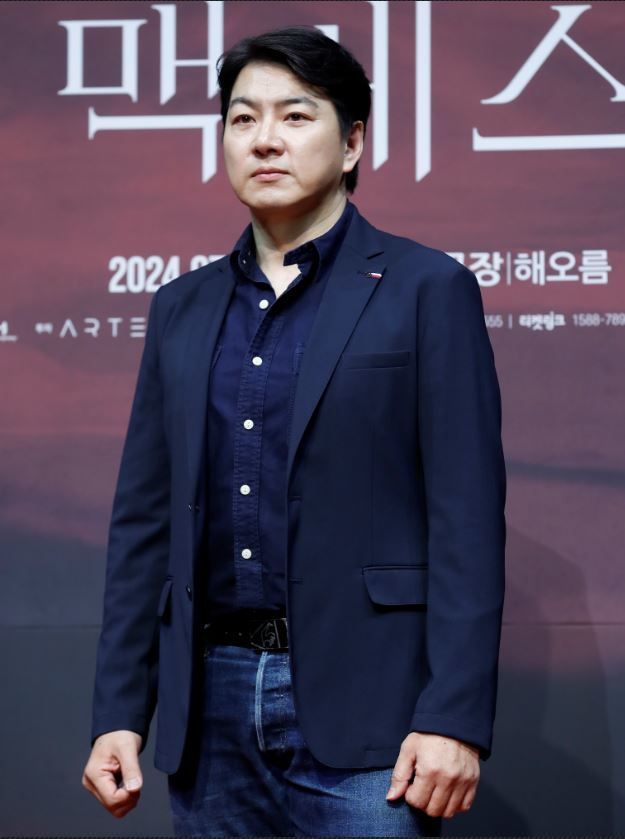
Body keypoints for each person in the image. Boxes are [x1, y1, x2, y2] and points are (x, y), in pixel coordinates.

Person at [82, 26, 506, 838]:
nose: (264, 139)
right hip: (210, 713)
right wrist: (119, 713)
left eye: (295, 116)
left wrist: (453, 715)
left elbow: (466, 517)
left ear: (351, 143)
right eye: (243, 119)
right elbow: (143, 525)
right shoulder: (181, 307)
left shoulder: (426, 288)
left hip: (372, 713)